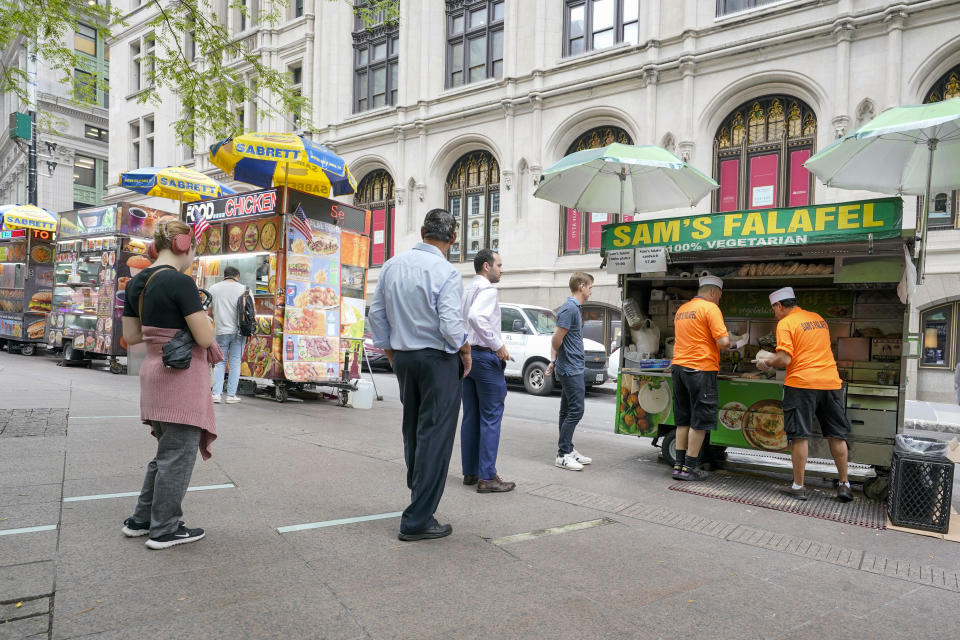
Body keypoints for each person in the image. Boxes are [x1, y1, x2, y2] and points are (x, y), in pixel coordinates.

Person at [368, 209, 471, 541]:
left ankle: (419, 490)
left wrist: (389, 351)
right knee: (435, 436)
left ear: (423, 230)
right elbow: (451, 324)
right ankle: (418, 518)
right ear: (452, 239)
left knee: (413, 428)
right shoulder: (445, 271)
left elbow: (377, 313)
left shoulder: (392, 265)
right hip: (437, 360)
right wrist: (465, 350)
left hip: (405, 358)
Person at [121, 218, 223, 550]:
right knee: (177, 456)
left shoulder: (138, 283)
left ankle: (141, 519)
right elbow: (205, 336)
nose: (193, 254)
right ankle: (164, 529)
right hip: (179, 376)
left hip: (153, 372)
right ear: (183, 245)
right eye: (193, 247)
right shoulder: (180, 283)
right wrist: (204, 316)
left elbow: (132, 336)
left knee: (166, 453)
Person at [756, 287, 853, 502]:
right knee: (836, 434)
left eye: (774, 309)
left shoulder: (786, 323)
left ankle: (798, 486)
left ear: (779, 305)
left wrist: (766, 361)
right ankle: (844, 484)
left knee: (800, 435)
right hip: (830, 382)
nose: (774, 314)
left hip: (801, 384)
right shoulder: (817, 319)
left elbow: (784, 360)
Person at [670, 276, 735, 481]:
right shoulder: (710, 309)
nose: (719, 300)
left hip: (679, 369)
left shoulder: (683, 310)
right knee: (698, 422)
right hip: (700, 369)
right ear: (714, 292)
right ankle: (690, 469)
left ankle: (678, 466)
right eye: (720, 296)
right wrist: (735, 343)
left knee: (683, 420)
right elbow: (723, 342)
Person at [460, 248, 515, 493]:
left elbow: (464, 319)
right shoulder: (488, 290)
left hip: (467, 357)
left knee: (471, 415)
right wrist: (498, 345)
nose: (501, 270)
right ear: (486, 266)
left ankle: (471, 472)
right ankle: (488, 476)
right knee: (491, 417)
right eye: (499, 265)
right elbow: (476, 317)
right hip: (483, 356)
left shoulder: (467, 289)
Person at [545, 272, 594, 471]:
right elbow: (556, 339)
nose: (591, 291)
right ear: (581, 286)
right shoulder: (569, 308)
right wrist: (554, 360)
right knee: (576, 410)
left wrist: (553, 361)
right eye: (590, 287)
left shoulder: (573, 308)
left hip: (572, 367)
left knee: (566, 410)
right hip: (571, 369)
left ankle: (567, 449)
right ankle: (563, 454)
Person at [208, 266, 249, 404]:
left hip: (220, 331)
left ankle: (216, 394)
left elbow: (209, 312)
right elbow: (250, 312)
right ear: (237, 275)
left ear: (224, 275)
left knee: (220, 362)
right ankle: (231, 396)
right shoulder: (244, 289)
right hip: (239, 332)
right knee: (235, 363)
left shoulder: (213, 288)